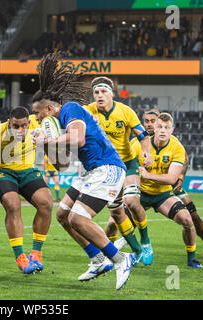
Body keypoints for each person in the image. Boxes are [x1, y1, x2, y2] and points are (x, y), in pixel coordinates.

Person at [31, 52, 134, 290]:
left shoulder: (70, 109)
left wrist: (49, 140)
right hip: (90, 171)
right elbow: (62, 165)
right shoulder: (60, 123)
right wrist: (46, 145)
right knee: (63, 216)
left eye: (38, 113)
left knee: (78, 218)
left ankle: (120, 259)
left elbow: (77, 139)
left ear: (48, 108)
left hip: (107, 168)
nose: (36, 118)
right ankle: (97, 259)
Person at [79, 76, 154, 273]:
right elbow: (77, 135)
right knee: (116, 211)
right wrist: (87, 124)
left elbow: (143, 136)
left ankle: (145, 241)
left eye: (103, 92)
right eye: (96, 92)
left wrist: (146, 152)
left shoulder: (125, 111)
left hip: (127, 162)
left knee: (131, 201)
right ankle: (136, 250)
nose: (99, 95)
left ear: (112, 93)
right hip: (105, 166)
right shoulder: (88, 111)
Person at [130, 109, 203, 258]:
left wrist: (180, 177)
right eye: (146, 121)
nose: (149, 124)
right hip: (145, 188)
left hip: (168, 187)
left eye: (152, 121)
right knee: (125, 216)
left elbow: (185, 160)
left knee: (192, 214)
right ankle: (126, 247)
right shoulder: (138, 142)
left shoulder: (173, 143)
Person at [0, 106, 53, 274]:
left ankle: (36, 253)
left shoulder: (37, 125)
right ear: (9, 123)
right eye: (16, 126)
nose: (21, 130)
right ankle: (20, 257)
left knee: (46, 203)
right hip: (3, 171)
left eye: (24, 125)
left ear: (29, 122)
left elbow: (54, 112)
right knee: (13, 205)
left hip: (27, 170)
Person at [136, 112, 202, 268]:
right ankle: (108, 255)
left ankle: (191, 258)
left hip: (163, 195)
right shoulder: (138, 144)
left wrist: (146, 174)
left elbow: (172, 179)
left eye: (167, 127)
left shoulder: (177, 147)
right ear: (154, 128)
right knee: (114, 220)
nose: (163, 130)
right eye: (160, 126)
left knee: (187, 219)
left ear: (172, 129)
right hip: (140, 193)